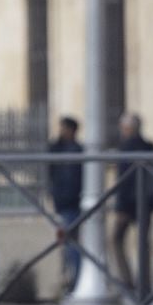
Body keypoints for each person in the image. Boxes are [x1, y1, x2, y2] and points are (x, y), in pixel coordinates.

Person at [108, 113, 153, 301]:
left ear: (128, 129)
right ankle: (144, 285)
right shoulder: (149, 147)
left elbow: (124, 179)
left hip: (129, 204)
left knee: (116, 239)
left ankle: (128, 281)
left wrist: (120, 206)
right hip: (146, 202)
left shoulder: (125, 147)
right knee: (143, 243)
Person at [47, 116, 84, 294]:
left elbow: (74, 181)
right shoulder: (57, 149)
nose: (61, 131)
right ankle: (67, 280)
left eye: (64, 128)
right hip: (60, 203)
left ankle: (75, 282)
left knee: (72, 245)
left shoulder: (76, 150)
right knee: (63, 245)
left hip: (71, 204)